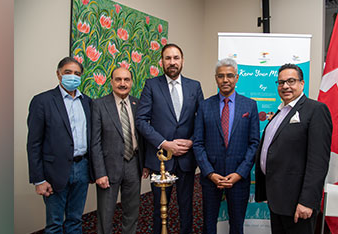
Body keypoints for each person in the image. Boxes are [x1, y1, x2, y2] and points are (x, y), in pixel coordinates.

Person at [255, 63, 333, 234]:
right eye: (281, 82)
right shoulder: (280, 112)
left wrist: (307, 201)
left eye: (291, 81)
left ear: (302, 83)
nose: (285, 86)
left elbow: (318, 162)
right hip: (277, 199)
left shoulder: (316, 110)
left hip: (297, 202)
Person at [135, 43, 204, 234]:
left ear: (182, 61)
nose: (172, 62)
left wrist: (191, 141)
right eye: (168, 58)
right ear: (161, 62)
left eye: (176, 58)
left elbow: (202, 120)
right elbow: (141, 121)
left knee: (187, 207)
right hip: (161, 159)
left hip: (186, 159)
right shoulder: (151, 85)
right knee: (158, 208)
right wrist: (165, 144)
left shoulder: (194, 86)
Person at [193, 58, 260, 234]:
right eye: (221, 76)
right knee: (208, 224)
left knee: (237, 226)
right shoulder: (205, 105)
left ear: (237, 78)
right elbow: (198, 143)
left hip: (238, 178)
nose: (225, 80)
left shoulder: (250, 106)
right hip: (211, 178)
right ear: (216, 78)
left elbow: (254, 143)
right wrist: (210, 173)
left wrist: (239, 173)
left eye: (230, 76)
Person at [26, 57, 92, 234]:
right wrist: (39, 179)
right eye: (68, 72)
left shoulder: (87, 102)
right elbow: (33, 144)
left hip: (82, 168)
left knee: (76, 219)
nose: (73, 77)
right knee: (55, 224)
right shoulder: (42, 101)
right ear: (58, 74)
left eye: (77, 74)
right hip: (54, 171)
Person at [90, 68, 145, 234]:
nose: (123, 83)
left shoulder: (138, 104)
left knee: (132, 210)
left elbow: (143, 137)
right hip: (108, 166)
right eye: (118, 79)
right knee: (106, 213)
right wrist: (99, 172)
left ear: (131, 82)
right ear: (111, 81)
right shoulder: (98, 105)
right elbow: (95, 142)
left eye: (127, 80)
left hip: (133, 163)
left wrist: (146, 164)